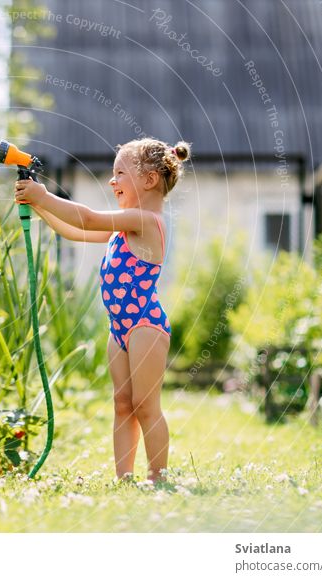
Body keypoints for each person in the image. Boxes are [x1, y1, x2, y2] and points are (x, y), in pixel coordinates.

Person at [13, 137, 190, 484]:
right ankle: (124, 477)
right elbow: (75, 230)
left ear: (149, 180)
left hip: (145, 325)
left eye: (119, 172)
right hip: (119, 329)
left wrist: (45, 196)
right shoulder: (124, 229)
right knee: (123, 403)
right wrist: (40, 206)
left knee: (145, 404)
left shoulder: (147, 221)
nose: (112, 180)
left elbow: (90, 218)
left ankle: (158, 477)